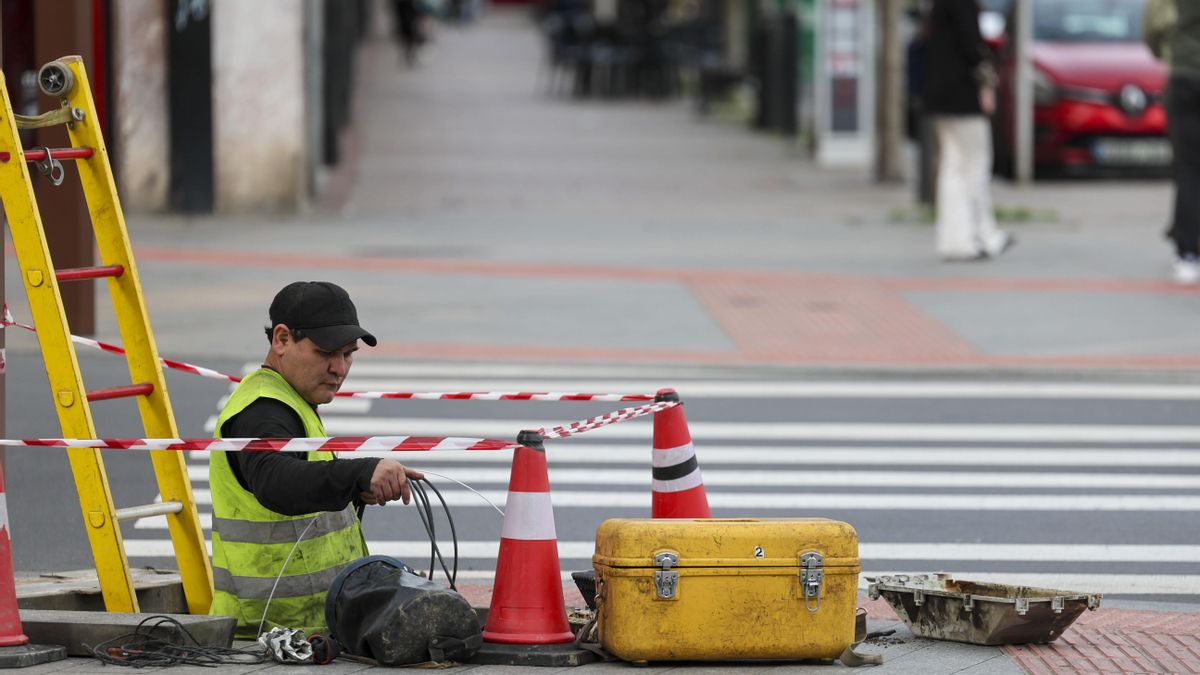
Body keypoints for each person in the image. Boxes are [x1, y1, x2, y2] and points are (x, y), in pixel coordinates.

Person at [208, 281, 424, 637]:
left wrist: (357, 490)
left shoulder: (292, 398)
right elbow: (276, 482)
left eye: (348, 354)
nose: (339, 369)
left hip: (310, 626)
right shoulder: (262, 411)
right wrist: (359, 472)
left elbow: (303, 482)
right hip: (265, 634)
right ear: (281, 340)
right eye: (326, 353)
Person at [922, 0, 1014, 261]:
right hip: (963, 96)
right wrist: (986, 81)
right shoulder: (963, 4)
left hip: (939, 97)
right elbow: (972, 47)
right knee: (975, 162)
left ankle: (954, 239)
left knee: (952, 166)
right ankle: (985, 234)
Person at [1144, 0, 1200, 284]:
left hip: (1184, 76)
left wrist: (1164, 51)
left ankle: (1187, 253)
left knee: (1189, 169)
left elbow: (1152, 26)